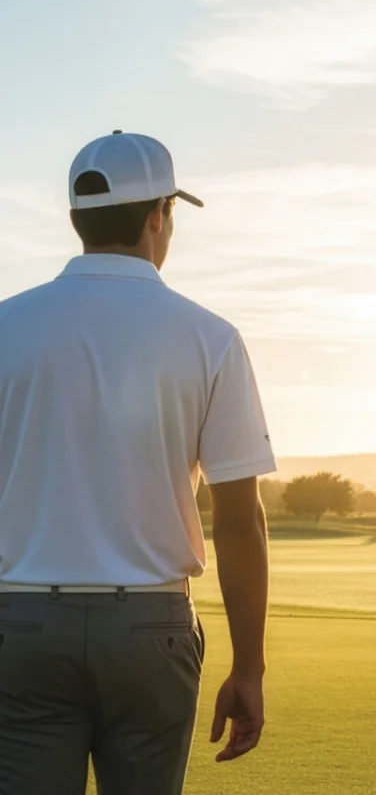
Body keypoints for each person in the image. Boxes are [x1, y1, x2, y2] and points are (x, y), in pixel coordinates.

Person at [0, 132, 276, 795]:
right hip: (151, 632)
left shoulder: (8, 326)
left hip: (24, 626)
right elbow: (238, 520)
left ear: (77, 218)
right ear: (158, 215)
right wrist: (249, 669)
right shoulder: (210, 338)